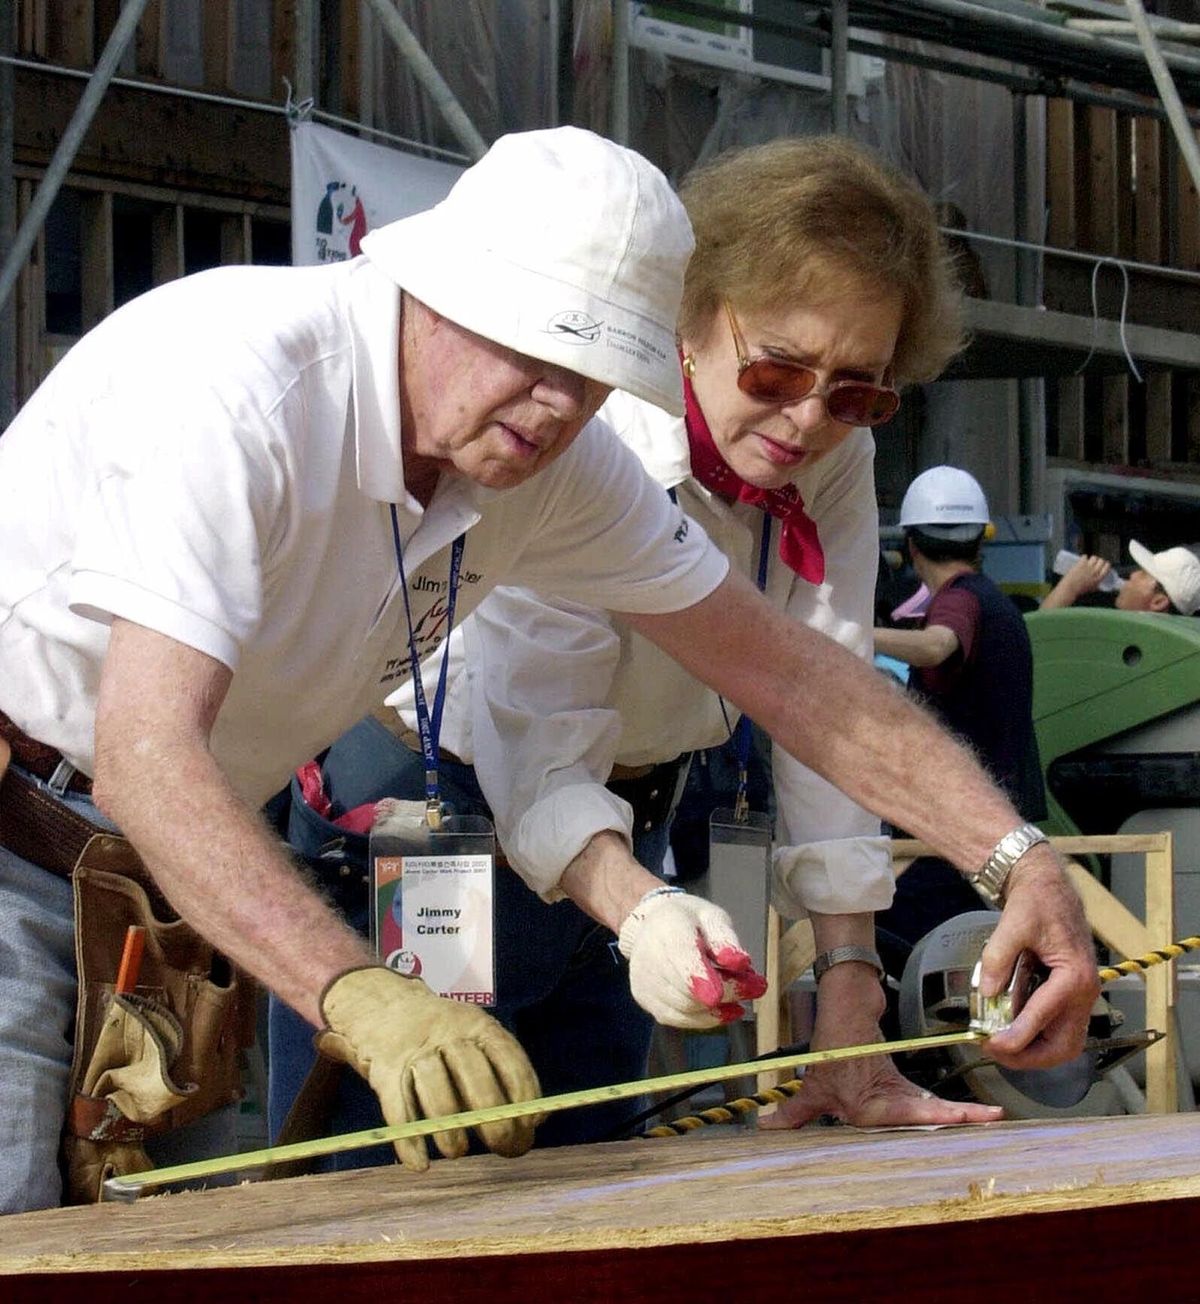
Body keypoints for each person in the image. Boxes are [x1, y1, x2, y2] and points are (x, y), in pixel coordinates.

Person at [0, 126, 1095, 1217]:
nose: (557, 409)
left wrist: (1017, 858)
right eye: (530, 357)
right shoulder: (241, 391)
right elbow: (148, 756)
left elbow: (798, 678)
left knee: (169, 1250)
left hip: (173, 885)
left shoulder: (555, 458)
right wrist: (364, 991)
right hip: (30, 835)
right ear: (431, 290)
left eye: (592, 375)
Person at [269, 138, 1084, 1157]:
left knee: (599, 1191)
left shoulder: (831, 450)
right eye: (778, 369)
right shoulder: (584, 438)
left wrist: (848, 986)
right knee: (386, 1194)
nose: (807, 422)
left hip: (623, 832)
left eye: (855, 393)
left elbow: (824, 705)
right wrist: (645, 911)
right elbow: (536, 744)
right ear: (689, 316)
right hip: (443, 813)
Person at [872, 466, 1047, 959]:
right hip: (996, 827)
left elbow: (935, 646)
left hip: (964, 832)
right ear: (980, 539)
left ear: (912, 545)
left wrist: (848, 635)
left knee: (878, 942)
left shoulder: (961, 601)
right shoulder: (997, 605)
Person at [1040, 542, 1200, 615]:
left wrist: (1070, 586)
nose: (1133, 575)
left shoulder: (1119, 641)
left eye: (1144, 574)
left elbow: (1034, 638)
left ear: (1158, 602)